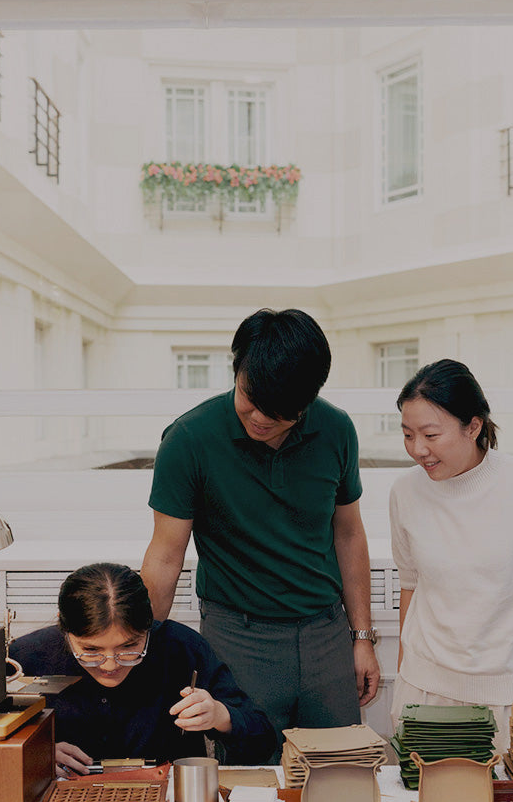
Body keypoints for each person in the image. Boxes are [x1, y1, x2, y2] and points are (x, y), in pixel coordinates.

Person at [141, 307, 381, 749]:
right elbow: (165, 554)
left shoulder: (336, 430)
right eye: (250, 399)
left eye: (279, 413)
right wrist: (143, 650)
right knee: (248, 774)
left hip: (325, 632)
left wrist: (361, 636)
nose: (259, 419)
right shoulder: (189, 439)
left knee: (340, 768)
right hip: (238, 635)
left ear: (308, 401)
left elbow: (347, 534)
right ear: (237, 370)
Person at [388, 360, 513, 753]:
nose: (418, 449)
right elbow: (411, 586)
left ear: (474, 426)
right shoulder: (405, 493)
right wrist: (404, 676)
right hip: (426, 695)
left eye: (431, 434)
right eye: (408, 434)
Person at [9, 562, 276, 776]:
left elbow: (263, 741)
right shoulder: (24, 659)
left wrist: (221, 716)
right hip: (60, 796)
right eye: (91, 651)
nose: (111, 665)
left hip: (169, 801)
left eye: (129, 649)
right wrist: (33, 753)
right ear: (63, 628)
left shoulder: (181, 648)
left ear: (148, 627)